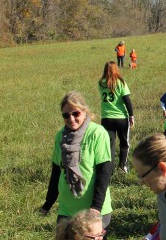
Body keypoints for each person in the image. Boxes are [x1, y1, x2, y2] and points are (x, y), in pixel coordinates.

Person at [40, 92, 113, 233]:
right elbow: (56, 172)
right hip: (67, 209)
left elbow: (105, 172)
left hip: (93, 210)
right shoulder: (60, 136)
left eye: (76, 113)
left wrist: (96, 208)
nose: (71, 118)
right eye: (66, 115)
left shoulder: (97, 133)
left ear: (84, 111)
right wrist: (48, 204)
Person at [98, 61, 135, 173]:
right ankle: (122, 167)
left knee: (109, 145)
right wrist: (131, 115)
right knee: (124, 143)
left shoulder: (101, 83)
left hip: (106, 118)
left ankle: (108, 169)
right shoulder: (121, 83)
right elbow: (127, 101)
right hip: (121, 118)